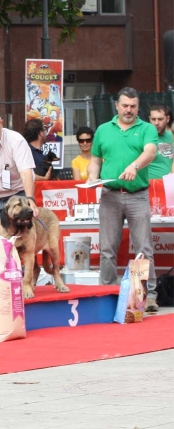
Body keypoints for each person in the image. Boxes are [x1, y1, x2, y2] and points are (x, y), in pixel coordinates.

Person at [87, 87, 159, 312]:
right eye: (125, 105)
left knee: (143, 249)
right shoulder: (102, 130)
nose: (129, 110)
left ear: (138, 107)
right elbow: (96, 159)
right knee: (107, 249)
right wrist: (92, 175)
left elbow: (150, 152)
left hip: (138, 195)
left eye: (133, 106)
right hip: (110, 195)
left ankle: (147, 297)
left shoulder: (147, 128)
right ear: (116, 105)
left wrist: (135, 166)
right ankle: (106, 293)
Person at [148, 104, 174, 178]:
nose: (156, 123)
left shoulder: (171, 136)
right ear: (149, 119)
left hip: (170, 184)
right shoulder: (144, 137)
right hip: (152, 184)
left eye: (160, 119)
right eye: (153, 119)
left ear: (168, 119)